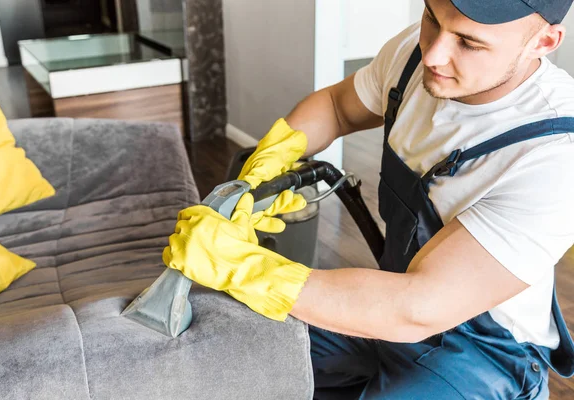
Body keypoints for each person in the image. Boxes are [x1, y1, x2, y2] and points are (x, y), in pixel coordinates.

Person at [163, 0, 574, 398]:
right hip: (391, 296)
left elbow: (419, 306)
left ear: (544, 42)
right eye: (432, 16)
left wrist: (247, 270)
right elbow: (337, 107)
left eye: (469, 42)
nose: (433, 54)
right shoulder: (415, 53)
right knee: (235, 355)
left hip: (483, 353)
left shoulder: (554, 154)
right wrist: (268, 163)